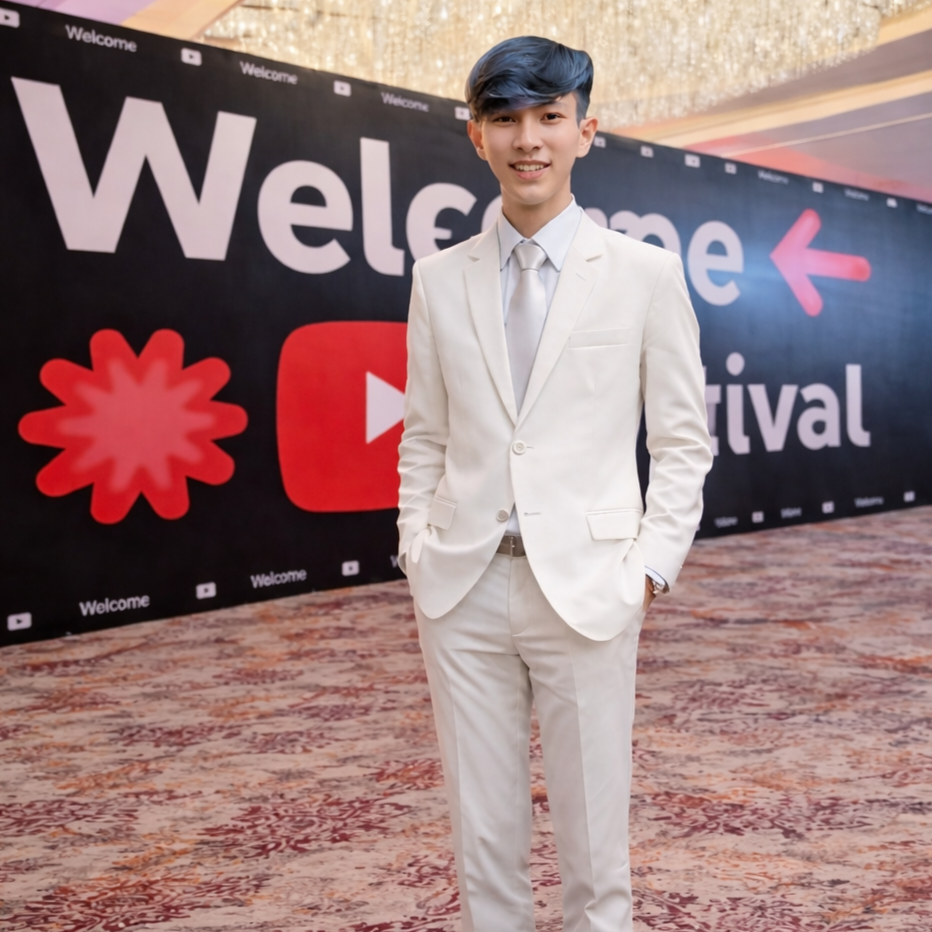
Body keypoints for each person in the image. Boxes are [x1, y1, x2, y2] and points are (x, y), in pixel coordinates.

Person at [396, 35, 713, 932]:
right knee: (482, 834)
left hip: (591, 587)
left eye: (549, 117)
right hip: (460, 584)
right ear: (477, 136)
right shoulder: (437, 279)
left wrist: (648, 569)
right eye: (505, 119)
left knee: (594, 840)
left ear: (585, 131)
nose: (527, 139)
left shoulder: (645, 275)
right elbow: (425, 434)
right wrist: (416, 545)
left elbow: (683, 442)